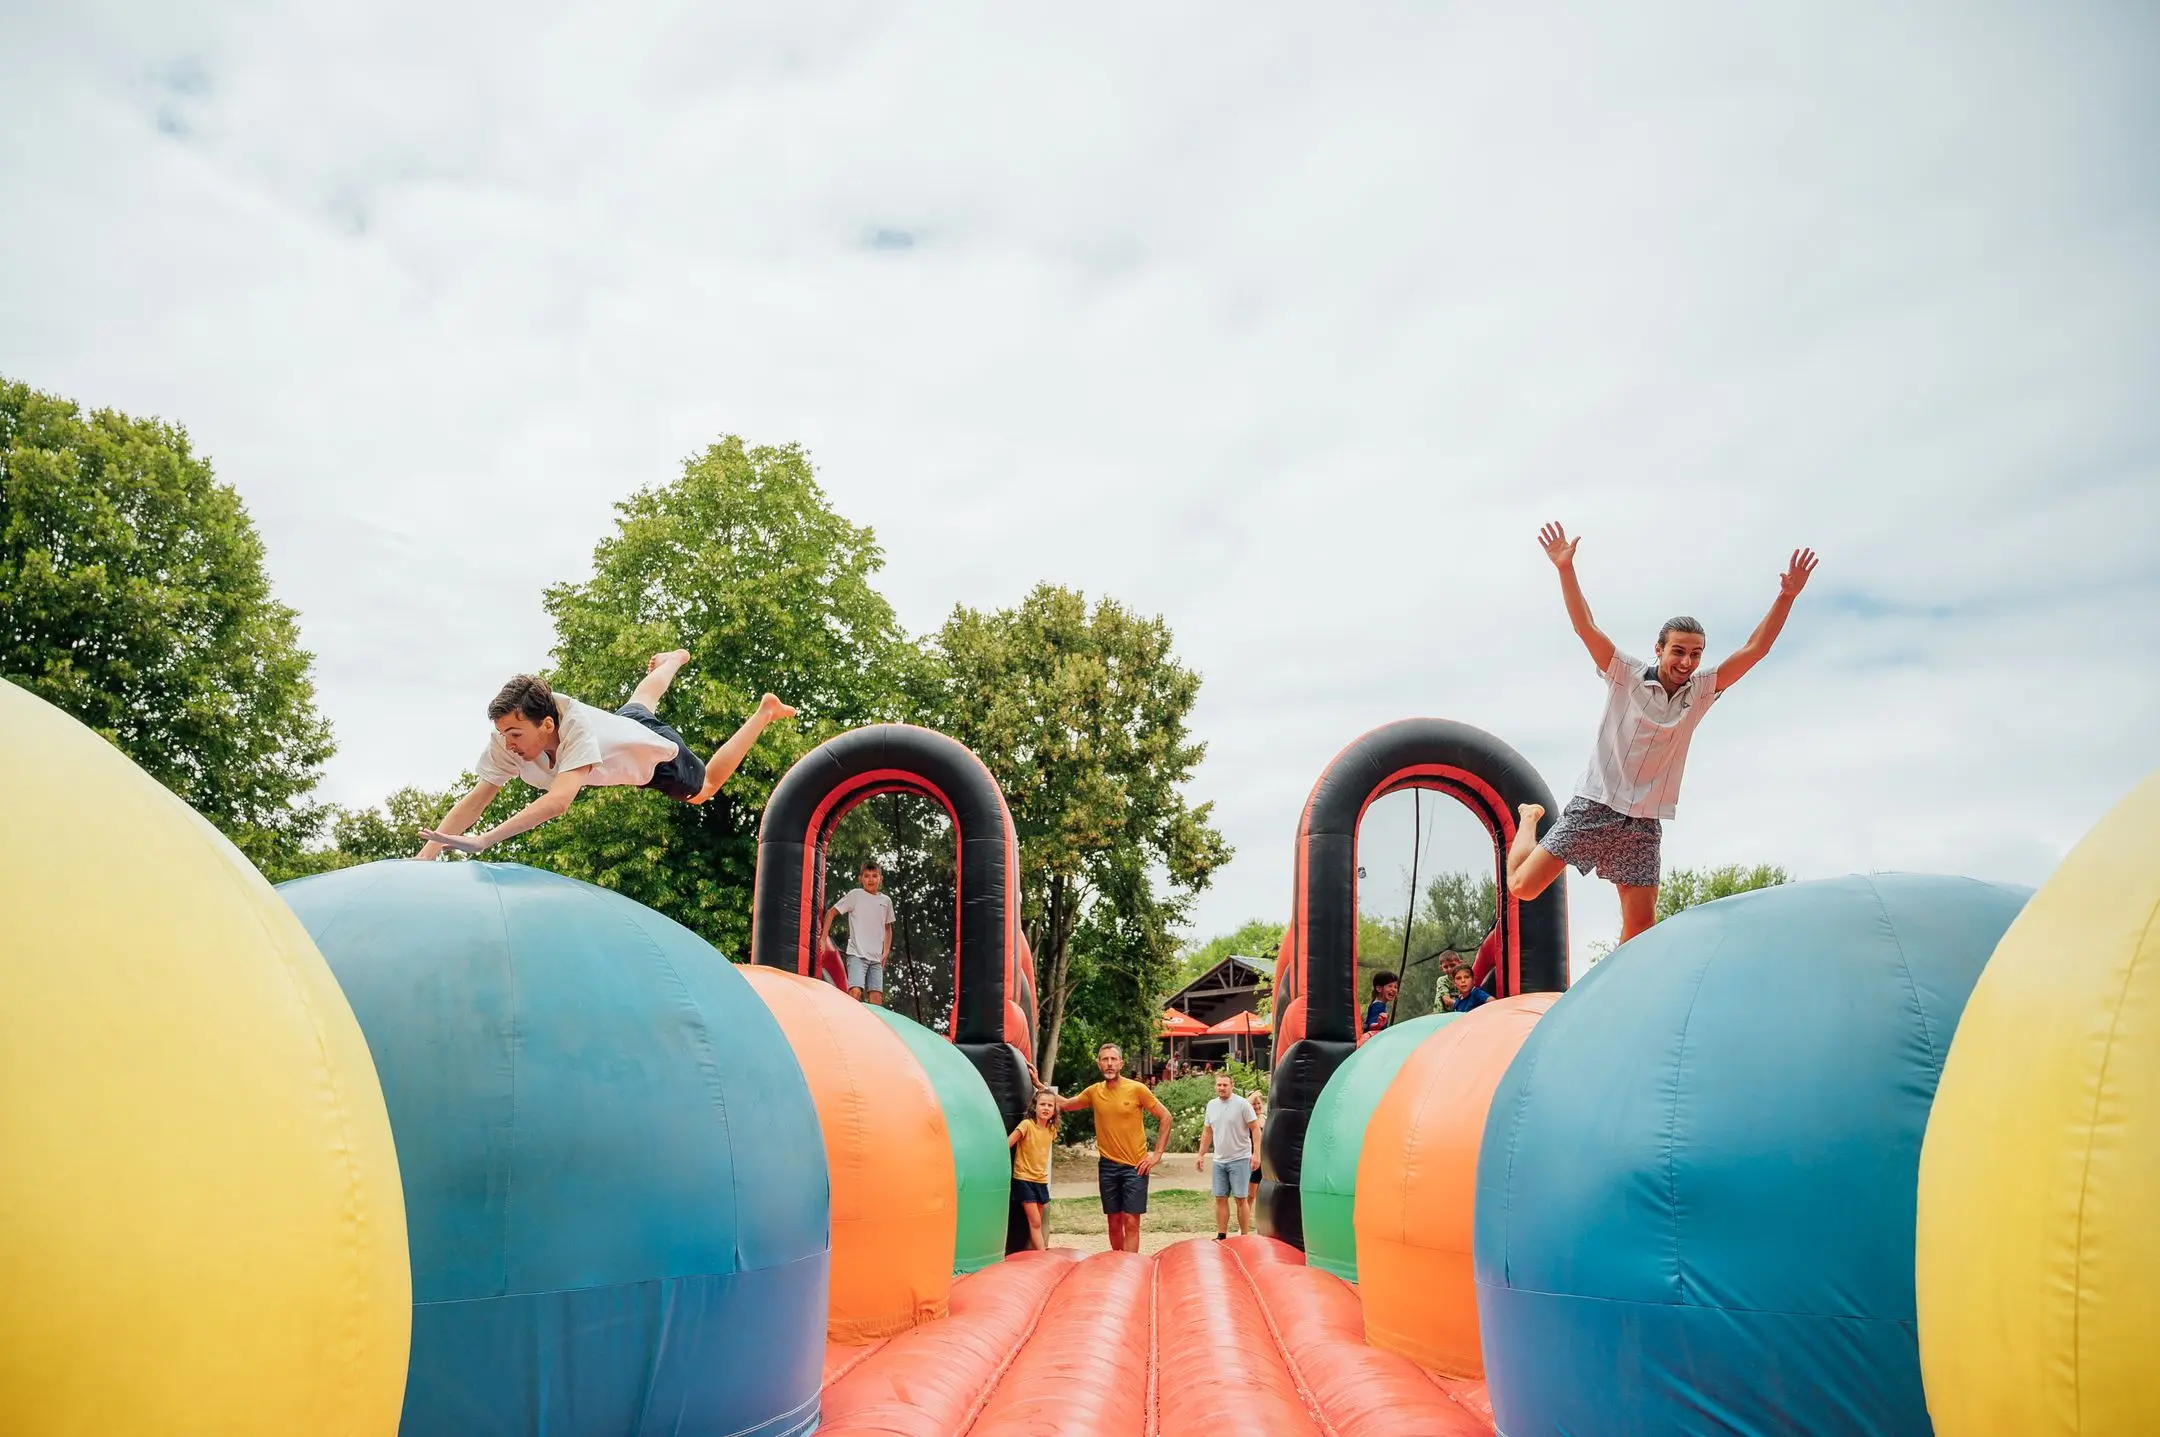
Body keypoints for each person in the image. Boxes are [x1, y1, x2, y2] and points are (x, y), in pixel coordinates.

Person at [1506, 524, 1817, 943]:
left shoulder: (1702, 691)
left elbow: (1754, 650)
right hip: (1597, 803)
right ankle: (1529, 819)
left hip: (1644, 821)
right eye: (1678, 651)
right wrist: (1565, 569)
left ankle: (1619, 1001)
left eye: (1695, 654)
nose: (1687, 661)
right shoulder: (1626, 675)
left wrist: (1786, 596)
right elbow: (1586, 628)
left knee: (1640, 929)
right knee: (1524, 888)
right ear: (1659, 649)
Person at [414, 652, 796, 859]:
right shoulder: (508, 739)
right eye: (502, 734)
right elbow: (478, 797)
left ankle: (763, 712)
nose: (508, 743)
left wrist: (485, 840)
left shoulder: (576, 728)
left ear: (548, 724)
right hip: (622, 727)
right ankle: (675, 659)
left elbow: (559, 802)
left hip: (654, 756)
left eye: (515, 734)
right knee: (640, 702)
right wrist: (427, 855)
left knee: (706, 788)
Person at [1059, 1043, 1171, 1253]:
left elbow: (1166, 1117)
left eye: (1113, 1059)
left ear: (1121, 1063)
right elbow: (1065, 1104)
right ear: (1099, 1064)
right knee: (1113, 1223)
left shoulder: (1137, 1089)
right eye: (1105, 1059)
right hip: (1108, 1166)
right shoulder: (1094, 1092)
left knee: (1131, 1221)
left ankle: (1131, 1268)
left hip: (1135, 1166)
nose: (1109, 1063)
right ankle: (1118, 1266)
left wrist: (1156, 1155)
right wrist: (1039, 1086)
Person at [1195, 1072, 1261, 1240]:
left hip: (1239, 1158)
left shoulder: (1242, 1105)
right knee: (1220, 1198)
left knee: (1241, 1198)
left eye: (1225, 1085)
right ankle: (1221, 1234)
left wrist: (1256, 1154)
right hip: (1219, 1160)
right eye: (1219, 1085)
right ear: (1215, 1086)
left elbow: (1255, 1129)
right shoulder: (1211, 1105)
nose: (1222, 1088)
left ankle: (1244, 1235)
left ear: (1232, 1086)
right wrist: (1201, 1154)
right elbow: (1207, 1131)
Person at [824, 862, 895, 1005]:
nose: (871, 879)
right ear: (860, 879)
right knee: (855, 992)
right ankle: (850, 1023)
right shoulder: (855, 895)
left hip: (875, 958)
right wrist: (823, 938)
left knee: (876, 999)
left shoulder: (886, 901)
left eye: (875, 876)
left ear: (881, 879)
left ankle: (871, 1027)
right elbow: (831, 912)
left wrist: (886, 951)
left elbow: (888, 927)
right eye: (867, 876)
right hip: (857, 954)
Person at [1007, 1089, 1060, 1251]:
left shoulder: (1051, 1130)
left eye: (1050, 1105)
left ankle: (1035, 1254)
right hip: (1024, 1179)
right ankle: (1043, 1255)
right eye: (1042, 1104)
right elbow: (1007, 1143)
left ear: (1054, 1110)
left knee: (1036, 1223)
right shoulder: (1027, 1125)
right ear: (1034, 1107)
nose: (1046, 1108)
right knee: (1035, 1222)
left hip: (1040, 1180)